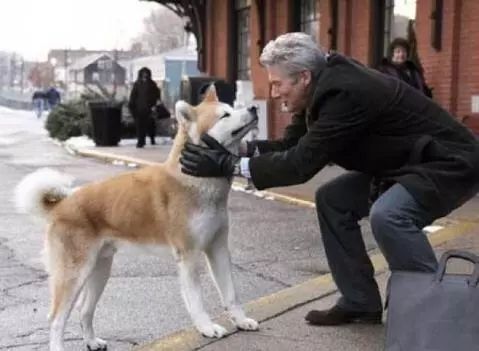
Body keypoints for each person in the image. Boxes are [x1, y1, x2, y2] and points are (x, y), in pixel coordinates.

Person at [180, 32, 479, 326]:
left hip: (447, 161)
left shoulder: (344, 94)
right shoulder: (319, 89)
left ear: (304, 77)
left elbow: (300, 164)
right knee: (333, 199)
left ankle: (437, 312)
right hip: (405, 164)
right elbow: (291, 146)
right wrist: (234, 149)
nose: (274, 93)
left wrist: (227, 165)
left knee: (389, 215)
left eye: (277, 84)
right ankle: (360, 301)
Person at [128, 67, 161, 148]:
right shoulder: (137, 84)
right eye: (143, 73)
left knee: (150, 125)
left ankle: (152, 138)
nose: (145, 75)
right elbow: (133, 95)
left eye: (146, 73)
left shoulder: (152, 84)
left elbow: (157, 94)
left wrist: (155, 104)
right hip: (139, 108)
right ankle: (141, 141)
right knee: (140, 126)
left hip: (149, 108)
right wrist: (131, 105)